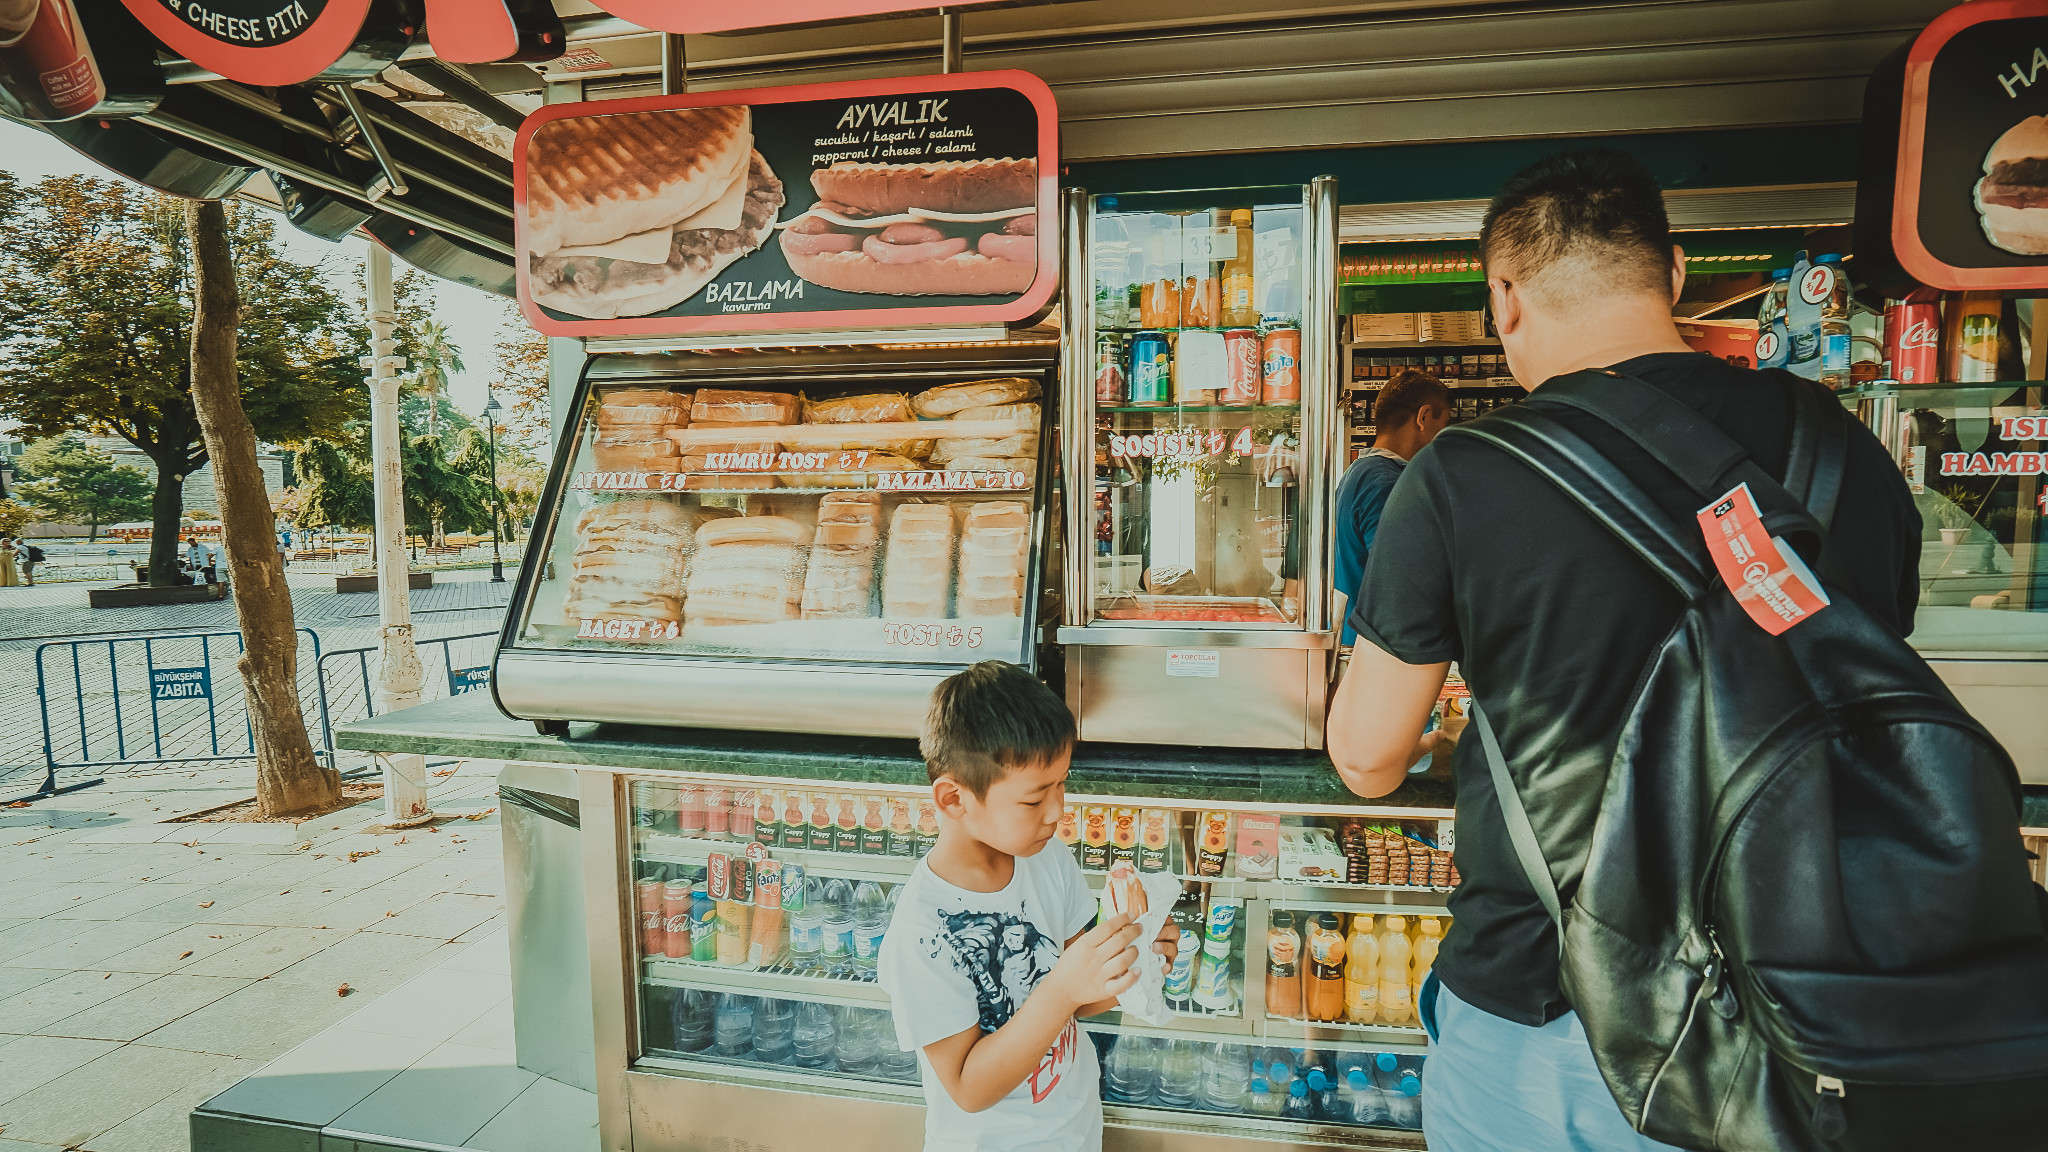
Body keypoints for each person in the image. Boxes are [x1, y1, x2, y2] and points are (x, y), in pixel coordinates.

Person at [1324, 150, 1919, 1151]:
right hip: (1790, 1012)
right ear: (1675, 273)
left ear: (1502, 300)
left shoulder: (1460, 475)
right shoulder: (1841, 451)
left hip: (1542, 1007)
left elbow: (1366, 756)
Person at [878, 661, 1175, 1152]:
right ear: (954, 799)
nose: (1058, 811)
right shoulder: (923, 932)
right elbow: (968, 1088)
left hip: (1075, 1130)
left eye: (1062, 784)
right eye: (1035, 798)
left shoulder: (1045, 857)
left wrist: (1135, 963)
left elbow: (1081, 994)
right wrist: (1061, 990)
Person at [1334, 368, 1450, 643]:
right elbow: (1400, 586)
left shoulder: (1358, 472)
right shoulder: (1387, 484)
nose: (1443, 436)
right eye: (1443, 424)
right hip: (1378, 650)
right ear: (1423, 417)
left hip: (1356, 640)